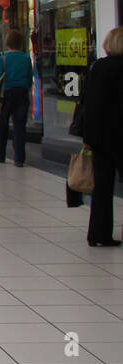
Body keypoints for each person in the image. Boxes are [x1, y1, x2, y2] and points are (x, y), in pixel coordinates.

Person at [81, 26, 123, 247]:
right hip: (118, 135)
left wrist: (86, 134)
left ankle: (98, 233)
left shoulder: (97, 67)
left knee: (103, 187)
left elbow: (87, 102)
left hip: (97, 135)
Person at [0, 29, 35, 167]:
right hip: (22, 95)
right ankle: (19, 158)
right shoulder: (26, 58)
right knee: (20, 127)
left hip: (5, 95)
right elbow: (29, 78)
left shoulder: (1, 57)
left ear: (7, 42)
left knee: (2, 125)